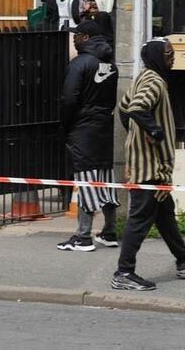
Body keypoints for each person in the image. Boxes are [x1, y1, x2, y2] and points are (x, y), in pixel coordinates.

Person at [111, 39, 185, 291]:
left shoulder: (143, 76)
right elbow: (137, 107)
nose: (173, 58)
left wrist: (134, 138)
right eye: (169, 54)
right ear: (158, 56)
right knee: (139, 220)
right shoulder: (155, 82)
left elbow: (124, 108)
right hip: (150, 167)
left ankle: (184, 259)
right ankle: (123, 272)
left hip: (151, 164)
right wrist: (154, 132)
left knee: (165, 215)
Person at [57, 20, 120, 252]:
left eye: (76, 35)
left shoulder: (80, 63)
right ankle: (110, 231)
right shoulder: (110, 64)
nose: (73, 39)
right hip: (104, 125)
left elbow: (69, 98)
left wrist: (65, 124)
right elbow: (112, 98)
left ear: (85, 37)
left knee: (85, 178)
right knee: (105, 176)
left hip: (82, 127)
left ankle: (83, 236)